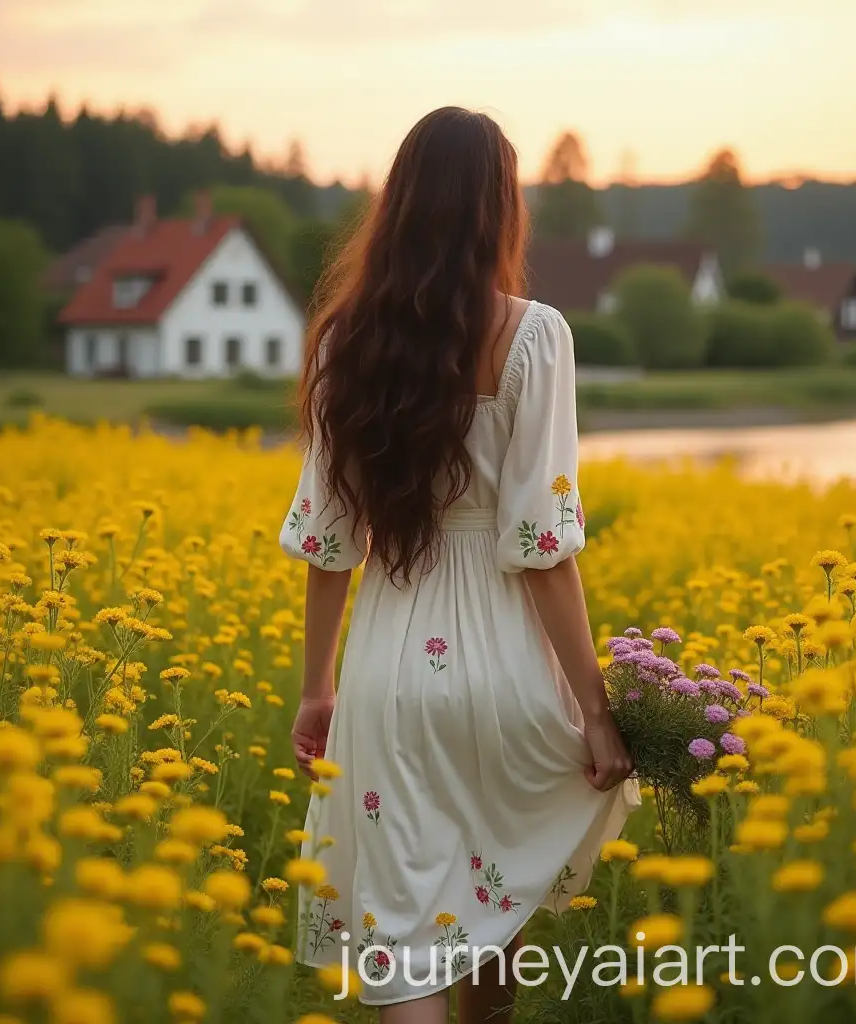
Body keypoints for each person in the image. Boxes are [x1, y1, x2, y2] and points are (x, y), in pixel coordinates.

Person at [280, 106, 639, 1023]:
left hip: (391, 673)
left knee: (407, 942)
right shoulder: (534, 336)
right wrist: (595, 713)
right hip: (509, 672)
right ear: (499, 209)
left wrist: (317, 689)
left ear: (398, 202)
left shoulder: (341, 343)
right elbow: (543, 547)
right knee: (492, 914)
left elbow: (328, 544)